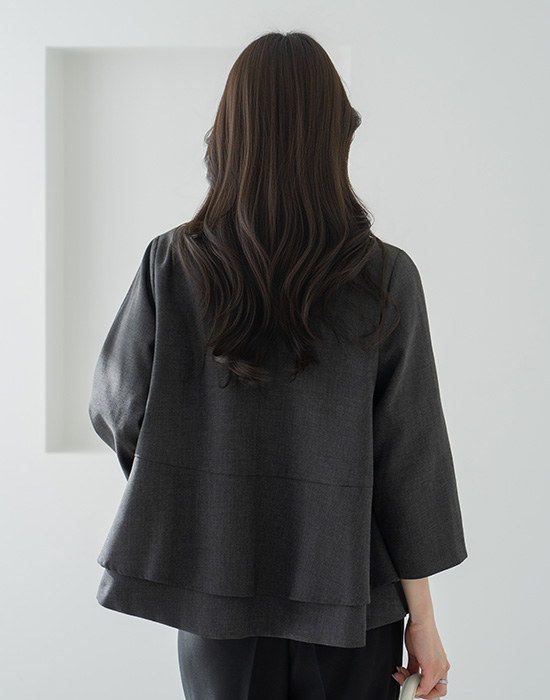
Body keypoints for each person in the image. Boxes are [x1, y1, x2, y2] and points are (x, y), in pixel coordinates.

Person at [88, 30, 468, 700]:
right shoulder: (385, 278)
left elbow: (117, 411)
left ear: (228, 135)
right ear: (334, 136)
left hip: (216, 594)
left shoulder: (171, 266)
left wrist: (198, 486)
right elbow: (409, 461)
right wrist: (426, 622)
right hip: (351, 600)